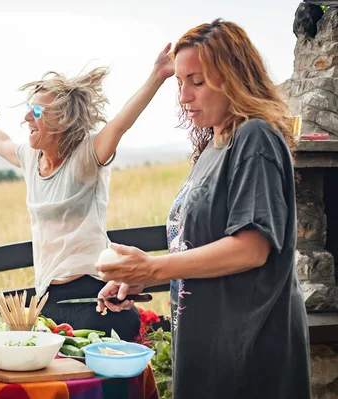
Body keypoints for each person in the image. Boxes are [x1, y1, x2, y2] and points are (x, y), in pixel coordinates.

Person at [96, 19, 311, 399]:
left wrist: (154, 265)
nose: (184, 96)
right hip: (208, 346)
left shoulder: (254, 138)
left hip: (248, 354)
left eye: (197, 81)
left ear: (234, 77)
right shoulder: (215, 145)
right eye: (180, 83)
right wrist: (145, 277)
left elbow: (251, 247)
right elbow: (199, 249)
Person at [0, 46, 174, 341]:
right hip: (49, 302)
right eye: (30, 106)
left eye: (38, 110)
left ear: (62, 121)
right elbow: (0, 143)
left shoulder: (84, 159)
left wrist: (157, 76)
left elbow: (121, 124)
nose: (28, 116)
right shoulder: (31, 157)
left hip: (95, 299)